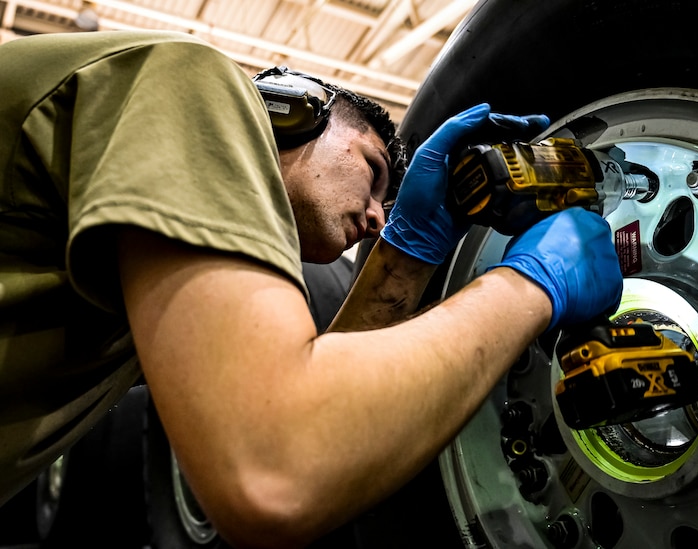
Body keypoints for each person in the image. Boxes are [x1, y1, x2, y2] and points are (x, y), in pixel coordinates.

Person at [0, 29, 623, 548]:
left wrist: (407, 253)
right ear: (292, 108)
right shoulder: (192, 80)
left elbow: (323, 413)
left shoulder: (138, 263)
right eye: (373, 172)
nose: (379, 216)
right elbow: (276, 464)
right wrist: (531, 284)